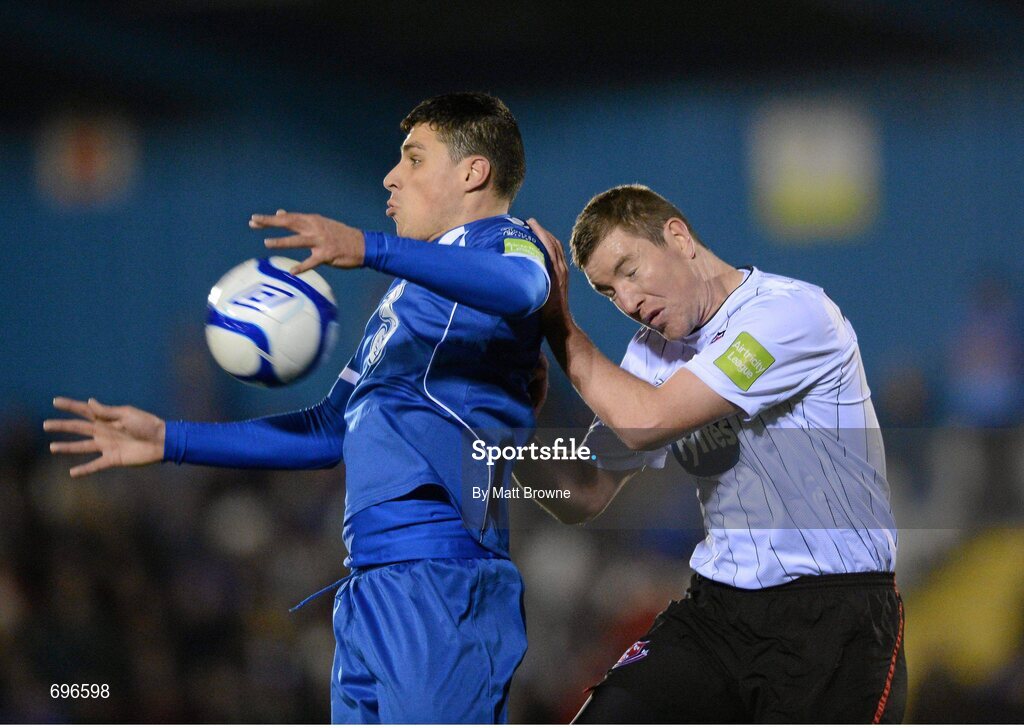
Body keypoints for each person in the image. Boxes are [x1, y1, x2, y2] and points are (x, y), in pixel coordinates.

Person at [44, 92, 552, 724]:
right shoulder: (408, 294)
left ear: (474, 172)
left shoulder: (507, 241)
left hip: (440, 577)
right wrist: (169, 440)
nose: (391, 176)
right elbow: (326, 430)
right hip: (371, 583)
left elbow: (525, 287)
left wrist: (368, 247)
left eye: (414, 158)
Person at [514, 184, 905, 722]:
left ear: (678, 238)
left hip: (835, 618)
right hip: (719, 612)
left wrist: (557, 325)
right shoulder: (651, 356)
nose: (627, 302)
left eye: (630, 271)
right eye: (608, 293)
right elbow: (584, 494)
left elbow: (652, 419)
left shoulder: (790, 313)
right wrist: (506, 424)